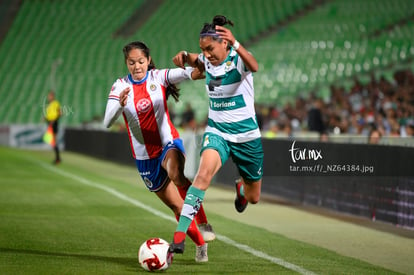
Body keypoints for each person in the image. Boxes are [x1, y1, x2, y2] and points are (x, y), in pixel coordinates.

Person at [103, 41, 215, 262]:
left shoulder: (159, 77)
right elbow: (107, 121)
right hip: (145, 157)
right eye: (132, 62)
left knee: (176, 173)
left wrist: (196, 62)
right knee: (176, 205)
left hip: (168, 143)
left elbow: (195, 74)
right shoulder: (119, 86)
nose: (137, 66)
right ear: (127, 63)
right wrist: (119, 104)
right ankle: (200, 244)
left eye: (141, 61)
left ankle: (203, 222)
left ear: (148, 60)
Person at [169, 15, 264, 254]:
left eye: (210, 48)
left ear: (225, 43)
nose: (207, 54)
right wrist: (184, 56)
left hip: (246, 137)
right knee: (202, 175)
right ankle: (179, 236)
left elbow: (254, 66)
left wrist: (237, 43)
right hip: (217, 131)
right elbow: (194, 59)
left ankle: (242, 189)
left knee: (254, 198)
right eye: (203, 50)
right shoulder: (207, 59)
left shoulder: (238, 59)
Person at [44, 90, 62, 164]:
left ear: (53, 96)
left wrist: (54, 121)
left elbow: (60, 113)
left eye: (50, 96)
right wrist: (45, 118)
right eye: (48, 96)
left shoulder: (55, 103)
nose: (49, 97)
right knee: (51, 141)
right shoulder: (49, 104)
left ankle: (58, 158)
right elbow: (49, 115)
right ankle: (57, 158)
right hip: (50, 123)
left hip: (53, 123)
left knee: (53, 141)